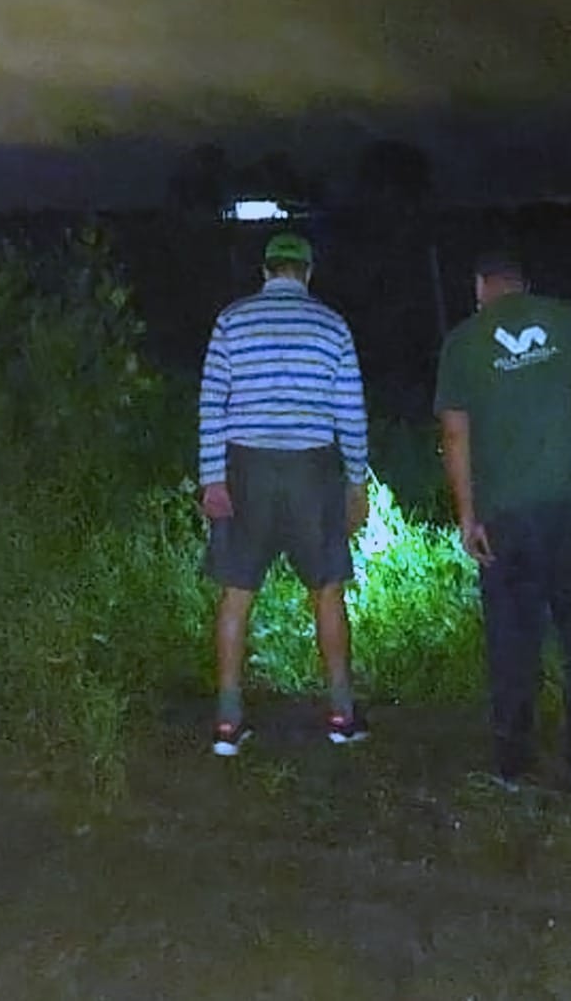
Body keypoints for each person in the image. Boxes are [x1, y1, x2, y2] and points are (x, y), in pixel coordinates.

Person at [434, 246, 571, 796]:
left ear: (480, 287)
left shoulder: (464, 341)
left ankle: (514, 765)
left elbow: (454, 435)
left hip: (508, 515)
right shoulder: (570, 321)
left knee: (513, 636)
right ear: (524, 282)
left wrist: (468, 518)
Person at [199, 231, 370, 756]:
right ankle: (341, 713)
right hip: (312, 469)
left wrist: (212, 478)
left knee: (236, 592)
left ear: (266, 271)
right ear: (308, 272)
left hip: (245, 466)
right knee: (327, 590)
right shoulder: (331, 325)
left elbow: (212, 403)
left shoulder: (232, 321)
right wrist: (356, 480)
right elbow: (350, 410)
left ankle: (228, 721)